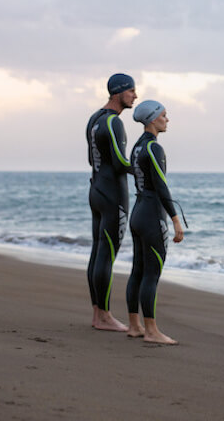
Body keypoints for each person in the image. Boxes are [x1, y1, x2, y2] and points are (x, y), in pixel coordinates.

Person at [126, 100, 185, 345]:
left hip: (137, 212)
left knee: (138, 271)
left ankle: (134, 326)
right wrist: (175, 220)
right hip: (151, 215)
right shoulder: (154, 149)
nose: (167, 119)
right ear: (152, 120)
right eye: (163, 115)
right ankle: (151, 331)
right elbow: (161, 186)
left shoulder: (137, 147)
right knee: (152, 274)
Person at [85, 73, 137, 331]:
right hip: (114, 195)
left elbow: (91, 159)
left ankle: (97, 314)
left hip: (96, 189)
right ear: (118, 93)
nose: (135, 96)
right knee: (107, 254)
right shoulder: (114, 123)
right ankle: (104, 317)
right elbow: (120, 162)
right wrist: (142, 168)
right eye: (131, 91)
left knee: (97, 252)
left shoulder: (94, 119)